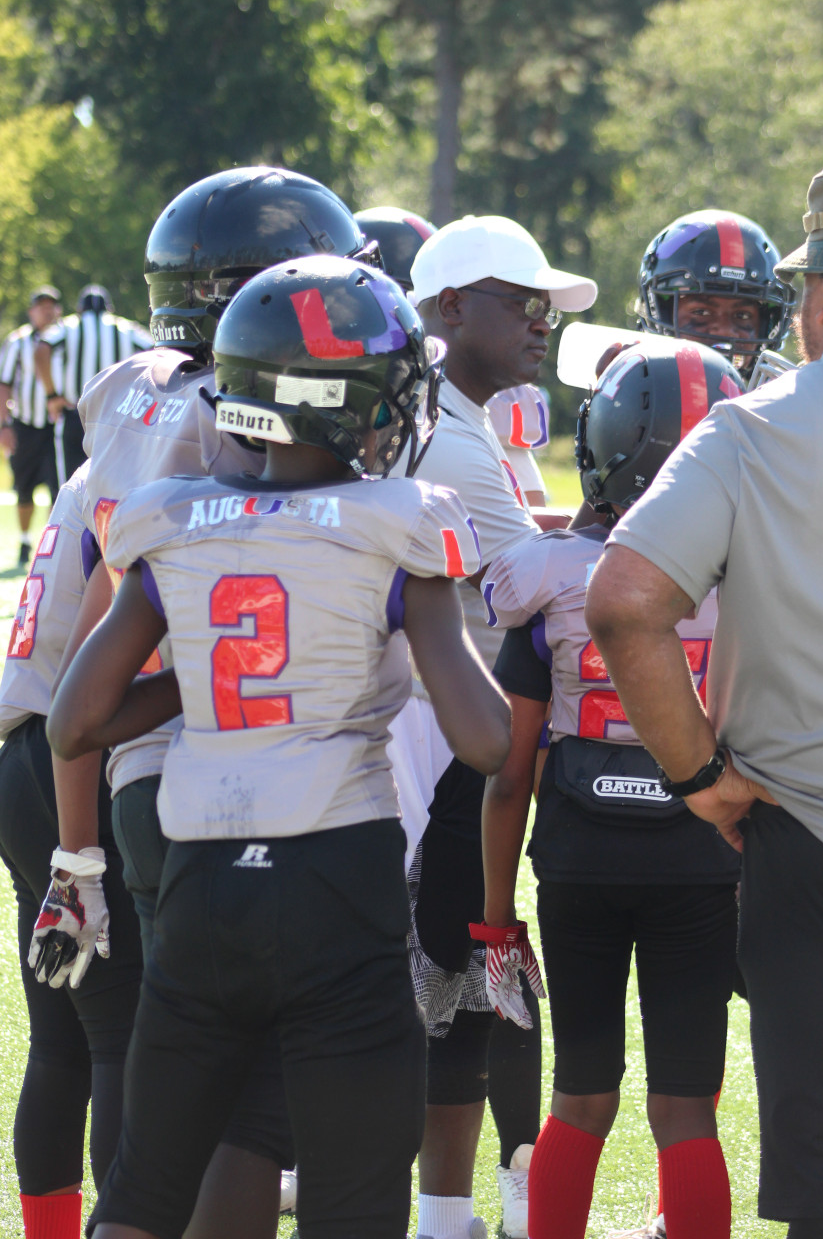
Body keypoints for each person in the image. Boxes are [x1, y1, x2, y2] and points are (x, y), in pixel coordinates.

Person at [45, 254, 512, 1239]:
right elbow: (486, 737)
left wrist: (205, 678)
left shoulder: (177, 518)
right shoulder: (399, 523)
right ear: (357, 401)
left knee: (146, 1184)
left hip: (202, 887)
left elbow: (75, 720)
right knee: (354, 1197)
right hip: (338, 878)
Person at [36, 165, 382, 1235]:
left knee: (123, 1051)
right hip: (177, 754)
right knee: (210, 1083)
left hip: (83, 743)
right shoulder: (219, 417)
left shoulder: (133, 381)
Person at [584, 157, 823, 1239]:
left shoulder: (753, 425)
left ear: (822, 296)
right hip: (799, 831)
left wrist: (699, 776)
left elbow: (623, 600)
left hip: (802, 833)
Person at [477, 340, 744, 1239]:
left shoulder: (549, 577)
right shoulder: (747, 581)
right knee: (686, 1110)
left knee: (578, 1097)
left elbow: (510, 774)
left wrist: (493, 916)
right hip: (703, 855)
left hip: (579, 858)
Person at [392, 213, 596, 1239]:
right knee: (476, 963)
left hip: (448, 721)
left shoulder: (454, 415)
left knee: (473, 977)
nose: (536, 321)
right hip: (443, 735)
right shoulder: (447, 428)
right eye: (518, 301)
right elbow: (545, 587)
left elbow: (527, 543)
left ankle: (454, 1207)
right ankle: (484, 1203)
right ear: (447, 306)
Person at [0, 459, 144, 1239]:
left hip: (25, 758)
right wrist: (80, 856)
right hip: (75, 766)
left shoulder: (107, 457)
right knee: (123, 1033)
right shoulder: (169, 455)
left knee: (63, 1042)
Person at [635, 209, 796, 381]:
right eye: (701, 312)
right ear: (660, 312)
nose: (725, 329)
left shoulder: (777, 404)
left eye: (742, 315)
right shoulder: (629, 397)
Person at [36, 285, 153, 484]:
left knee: (73, 483)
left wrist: (52, 395)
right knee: (115, 482)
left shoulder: (69, 325)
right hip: (117, 416)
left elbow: (41, 349)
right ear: (109, 308)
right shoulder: (125, 327)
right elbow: (155, 349)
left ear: (81, 308)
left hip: (77, 414)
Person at [0, 286, 62, 565]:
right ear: (31, 311)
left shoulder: (66, 337)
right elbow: (4, 384)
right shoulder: (18, 341)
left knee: (58, 487)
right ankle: (25, 541)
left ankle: (51, 544)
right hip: (25, 423)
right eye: (41, 306)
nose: (46, 311)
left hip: (56, 426)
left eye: (51, 306)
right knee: (23, 487)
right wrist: (4, 425)